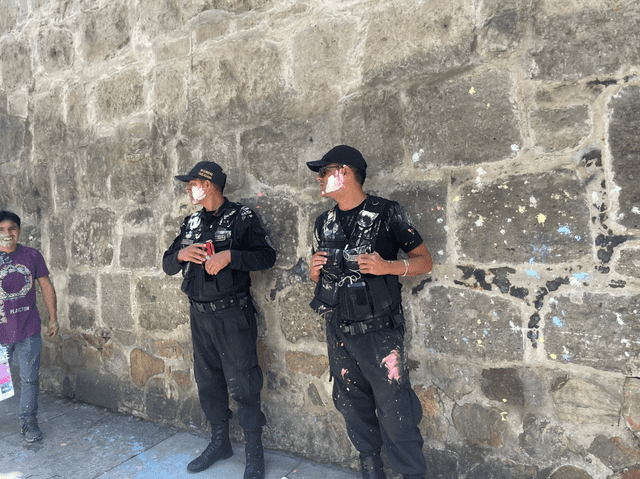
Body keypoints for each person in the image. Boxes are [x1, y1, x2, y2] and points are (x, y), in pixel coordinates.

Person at [307, 146, 433, 479]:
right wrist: (314, 271)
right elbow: (319, 273)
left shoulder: (386, 212)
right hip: (339, 329)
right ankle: (370, 467)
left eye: (324, 172)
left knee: (395, 409)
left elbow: (424, 261)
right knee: (351, 403)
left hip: (380, 331)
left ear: (345, 172)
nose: (319, 179)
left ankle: (411, 473)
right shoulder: (324, 222)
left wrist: (388, 266)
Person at [162, 161, 276, 478]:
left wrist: (231, 256)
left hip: (232, 314)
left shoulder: (242, 218)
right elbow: (167, 264)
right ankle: (220, 442)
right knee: (209, 382)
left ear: (209, 184)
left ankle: (254, 452)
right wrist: (182, 254)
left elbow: (267, 256)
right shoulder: (192, 222)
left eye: (192, 183)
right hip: (199, 316)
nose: (188, 188)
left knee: (244, 383)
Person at [0, 210, 58, 443]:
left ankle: (29, 422)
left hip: (28, 329)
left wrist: (53, 317)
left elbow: (46, 286)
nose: (7, 234)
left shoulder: (31, 255)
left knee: (29, 379)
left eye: (12, 228)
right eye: (1, 230)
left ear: (19, 231)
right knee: (1, 381)